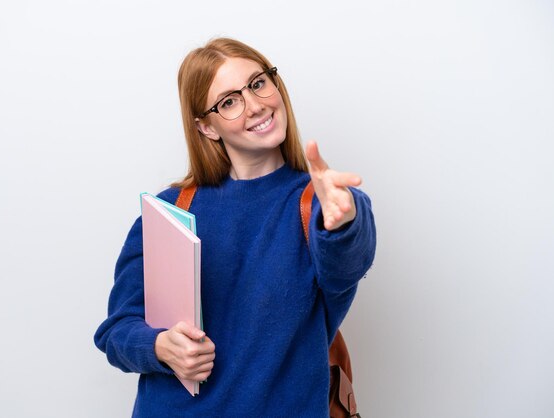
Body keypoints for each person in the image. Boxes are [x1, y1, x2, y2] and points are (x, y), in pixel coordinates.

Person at [94, 37, 376, 417]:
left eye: (258, 83)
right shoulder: (169, 211)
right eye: (229, 102)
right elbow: (116, 331)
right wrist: (159, 346)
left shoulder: (318, 205)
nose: (256, 105)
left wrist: (343, 221)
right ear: (206, 128)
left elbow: (347, 262)